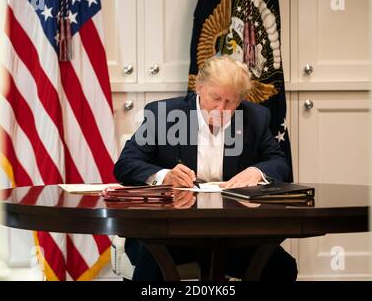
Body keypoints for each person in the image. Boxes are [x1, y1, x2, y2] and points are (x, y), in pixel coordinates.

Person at [114, 55, 297, 281]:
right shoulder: (164, 115)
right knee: (153, 262)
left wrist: (257, 171)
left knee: (282, 267)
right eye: (215, 98)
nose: (221, 109)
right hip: (167, 232)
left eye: (230, 101)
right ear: (199, 87)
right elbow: (126, 164)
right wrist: (165, 176)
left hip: (231, 234)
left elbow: (279, 163)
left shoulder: (255, 118)